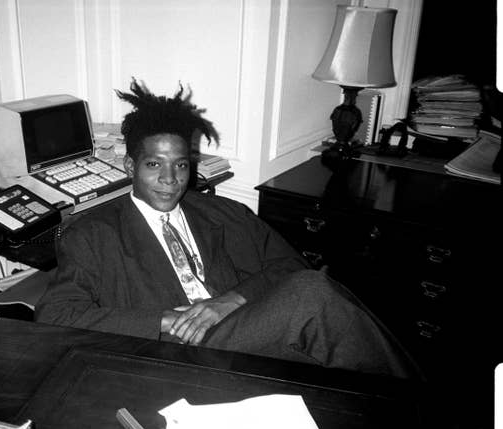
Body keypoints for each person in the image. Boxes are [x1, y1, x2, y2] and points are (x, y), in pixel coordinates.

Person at [36, 78, 422, 380]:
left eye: (182, 165)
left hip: (238, 332)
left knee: (322, 319)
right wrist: (163, 320)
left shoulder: (223, 213)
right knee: (314, 298)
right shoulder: (93, 233)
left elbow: (290, 268)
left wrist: (229, 301)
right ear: (130, 167)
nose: (171, 179)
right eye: (154, 165)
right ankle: (423, 408)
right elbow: (56, 315)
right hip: (175, 349)